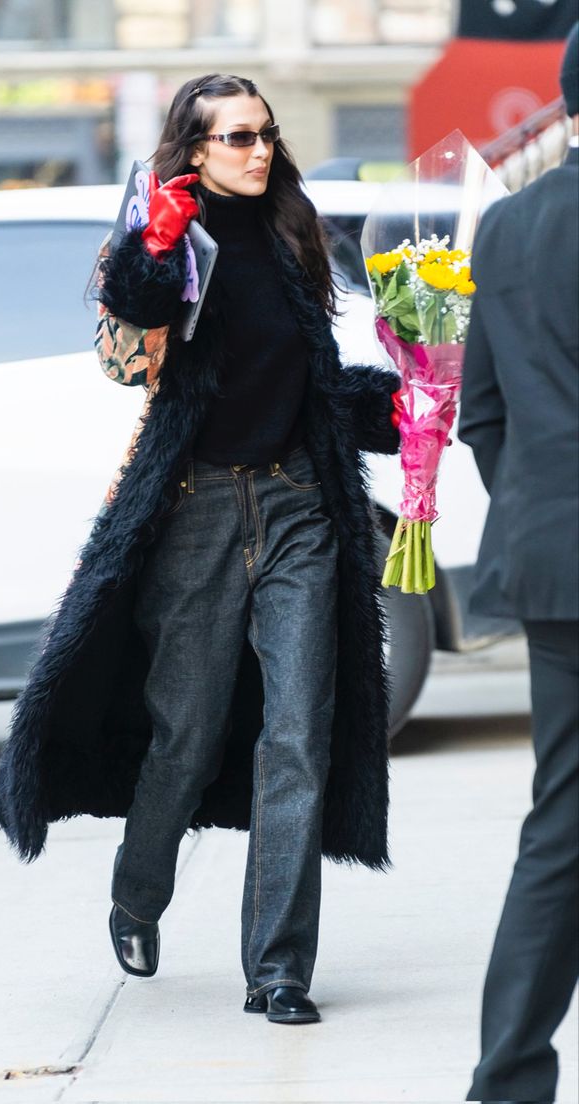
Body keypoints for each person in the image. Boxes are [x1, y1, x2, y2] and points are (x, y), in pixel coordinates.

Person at [0, 73, 402, 1025]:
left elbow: (318, 382)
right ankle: (139, 893)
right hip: (198, 511)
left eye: (266, 135)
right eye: (237, 139)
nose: (259, 152)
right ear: (197, 148)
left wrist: (407, 403)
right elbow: (123, 358)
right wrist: (152, 249)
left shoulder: (297, 235)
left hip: (299, 506)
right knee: (188, 730)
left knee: (298, 733)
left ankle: (280, 969)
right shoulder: (165, 240)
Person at [459, 23, 579, 1102]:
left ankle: (506, 1081)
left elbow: (480, 415)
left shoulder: (501, 229)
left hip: (554, 569)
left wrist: (548, 518)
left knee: (561, 824)